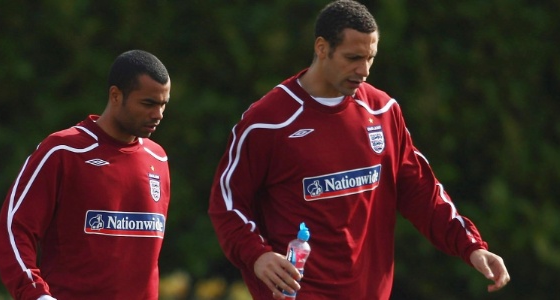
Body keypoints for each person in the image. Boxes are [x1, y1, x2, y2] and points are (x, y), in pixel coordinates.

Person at [207, 1, 510, 299]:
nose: (363, 70)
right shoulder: (268, 122)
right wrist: (258, 256)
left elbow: (420, 190)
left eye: (370, 58)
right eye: (353, 58)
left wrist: (471, 247)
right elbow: (228, 204)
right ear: (322, 48)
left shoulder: (382, 110)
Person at [0, 49, 172, 300]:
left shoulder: (158, 159)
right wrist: (35, 294)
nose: (158, 114)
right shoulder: (64, 151)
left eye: (163, 104)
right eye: (148, 104)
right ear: (115, 95)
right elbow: (14, 228)